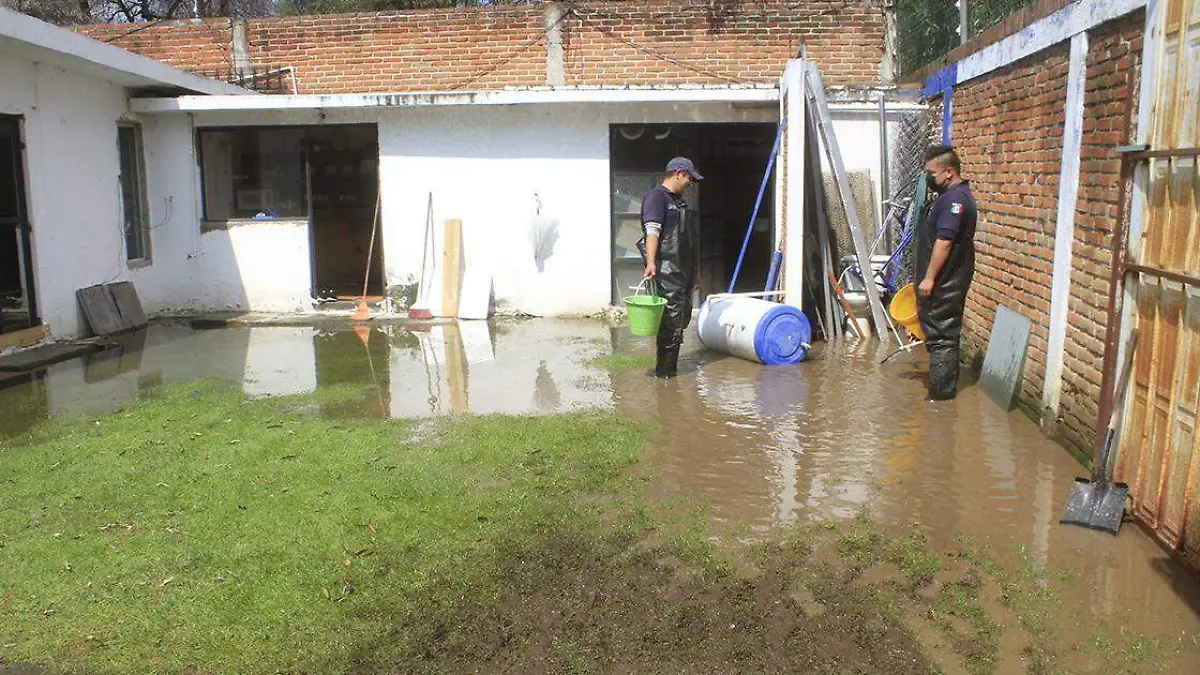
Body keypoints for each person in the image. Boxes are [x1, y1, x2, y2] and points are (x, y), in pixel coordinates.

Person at [917, 144, 977, 401]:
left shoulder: (954, 201)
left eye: (932, 174)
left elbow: (945, 241)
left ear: (949, 172)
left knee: (943, 335)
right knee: (938, 331)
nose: (929, 179)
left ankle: (940, 399)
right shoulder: (954, 196)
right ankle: (942, 389)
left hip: (948, 278)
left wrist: (930, 278)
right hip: (948, 276)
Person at [638, 157, 703, 379]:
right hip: (667, 270)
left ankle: (669, 372)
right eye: (689, 178)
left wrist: (696, 273)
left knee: (681, 320)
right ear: (677, 173)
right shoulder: (656, 198)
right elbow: (652, 231)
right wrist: (651, 261)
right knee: (671, 322)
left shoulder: (680, 201)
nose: (690, 183)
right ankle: (665, 374)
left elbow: (689, 242)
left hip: (684, 271)